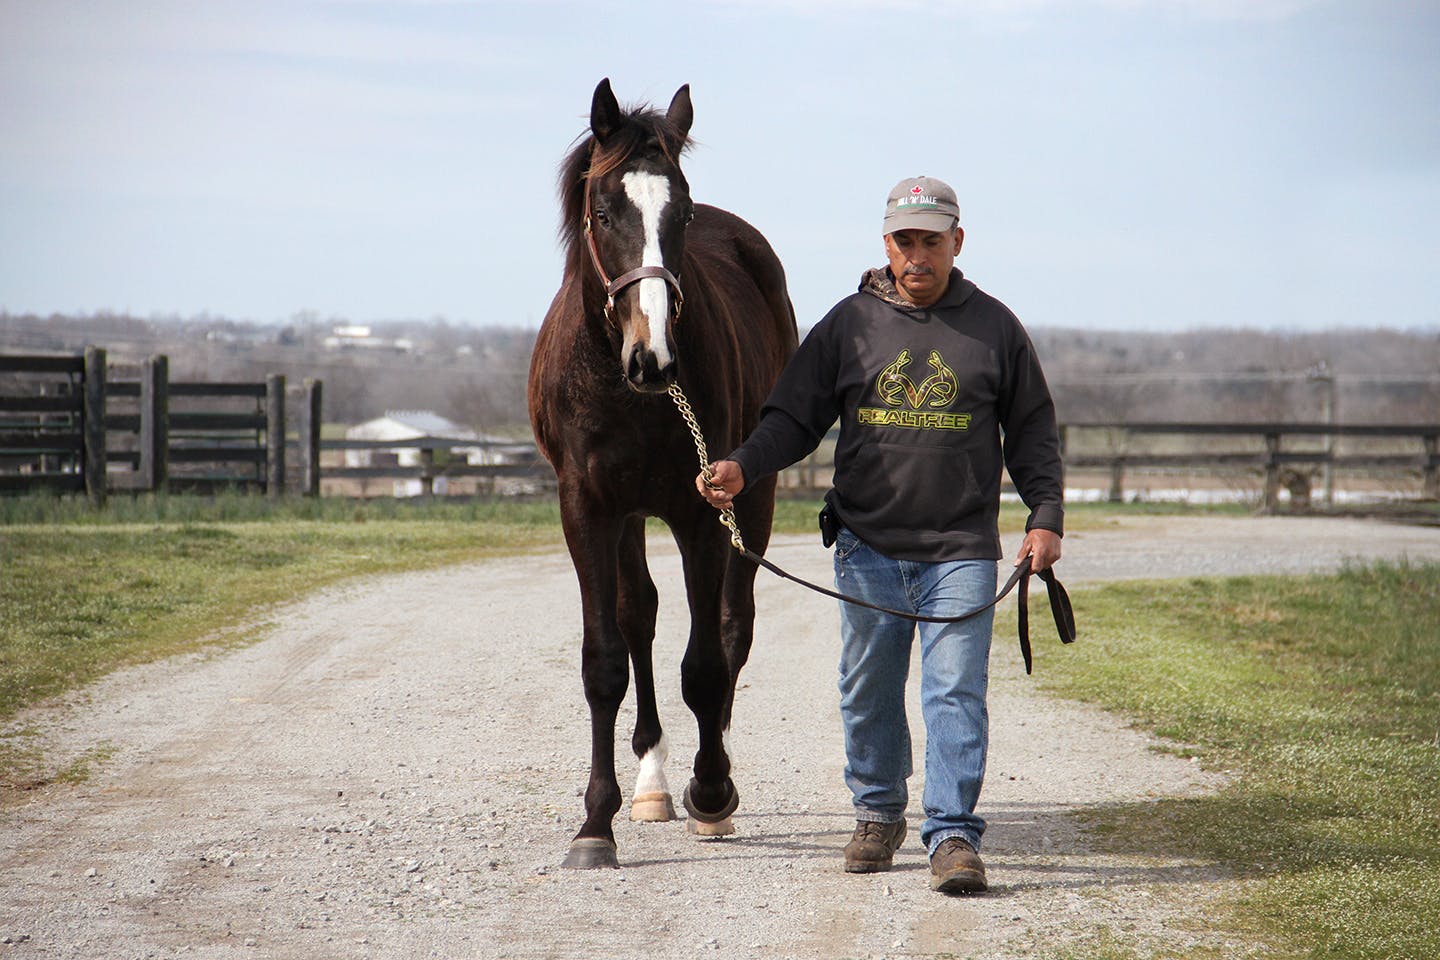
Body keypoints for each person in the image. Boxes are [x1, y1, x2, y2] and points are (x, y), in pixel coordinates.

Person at [695, 175, 1063, 895]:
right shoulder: (848, 326)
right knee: (867, 688)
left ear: (958, 242)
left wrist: (1044, 517)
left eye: (932, 241)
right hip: (868, 543)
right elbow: (792, 418)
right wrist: (742, 465)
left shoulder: (995, 329)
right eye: (904, 241)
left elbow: (1033, 434)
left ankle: (953, 834)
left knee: (954, 689)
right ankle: (877, 812)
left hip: (959, 549)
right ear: (885, 243)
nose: (917, 256)